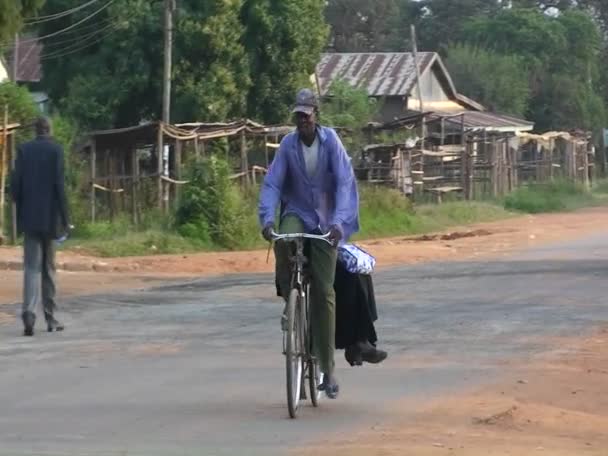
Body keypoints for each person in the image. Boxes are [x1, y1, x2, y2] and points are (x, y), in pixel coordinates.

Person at [259, 88, 359, 399]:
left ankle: (327, 370)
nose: (302, 120)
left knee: (324, 292)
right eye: (298, 116)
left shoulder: (332, 143)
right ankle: (290, 298)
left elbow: (344, 184)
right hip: (298, 212)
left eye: (306, 114)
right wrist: (267, 219)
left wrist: (339, 223)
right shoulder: (288, 145)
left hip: (327, 220)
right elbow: (273, 183)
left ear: (316, 115)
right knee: (282, 239)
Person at [10, 116, 70, 336]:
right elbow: (59, 186)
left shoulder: (24, 150)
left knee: (31, 269)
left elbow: (15, 186)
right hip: (51, 219)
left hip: (30, 220)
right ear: (49, 130)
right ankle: (51, 319)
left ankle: (28, 314)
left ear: (36, 131)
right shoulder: (56, 151)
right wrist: (66, 219)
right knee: (48, 270)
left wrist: (21, 206)